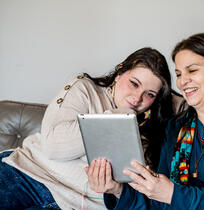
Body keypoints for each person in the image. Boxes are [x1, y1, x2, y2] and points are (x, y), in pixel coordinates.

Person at [87, 33, 204, 209]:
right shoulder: (175, 127)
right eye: (179, 74)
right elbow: (158, 202)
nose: (182, 81)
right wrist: (117, 190)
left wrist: (172, 193)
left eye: (192, 70)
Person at [0, 47, 182, 209]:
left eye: (149, 94)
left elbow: (190, 103)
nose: (137, 98)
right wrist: (120, 116)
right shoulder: (85, 89)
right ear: (119, 73)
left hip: (74, 202)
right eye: (134, 83)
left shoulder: (151, 130)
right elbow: (53, 147)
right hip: (27, 173)